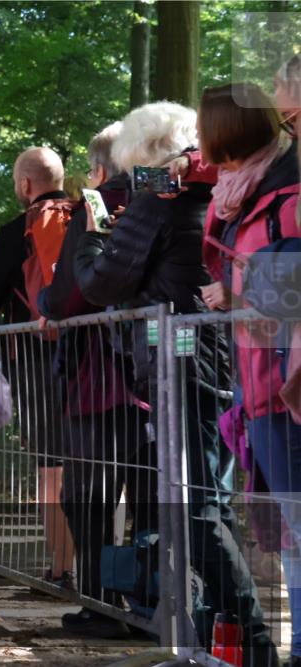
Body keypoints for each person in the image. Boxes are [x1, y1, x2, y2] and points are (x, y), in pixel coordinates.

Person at [73, 101, 279, 665]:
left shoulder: (154, 204)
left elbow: (101, 283)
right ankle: (226, 637)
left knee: (194, 506)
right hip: (217, 358)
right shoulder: (214, 193)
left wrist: (89, 238)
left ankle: (253, 642)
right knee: (207, 498)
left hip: (180, 363)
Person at [197, 83, 299, 663]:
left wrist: (232, 286)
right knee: (286, 532)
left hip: (287, 386)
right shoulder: (243, 194)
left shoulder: (284, 191)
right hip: (258, 384)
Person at [38, 120, 150, 639]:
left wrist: (49, 305)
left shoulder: (98, 206)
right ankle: (147, 607)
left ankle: (105, 605)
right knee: (148, 497)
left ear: (101, 168)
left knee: (88, 497)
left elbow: (70, 294)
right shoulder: (164, 199)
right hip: (155, 379)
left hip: (101, 378)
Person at [0, 146, 76, 590]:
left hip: (35, 360)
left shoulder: (17, 232)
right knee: (95, 459)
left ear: (24, 185)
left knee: (50, 466)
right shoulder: (88, 218)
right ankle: (103, 570)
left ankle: (60, 568)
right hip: (93, 357)